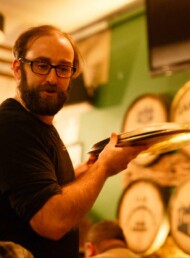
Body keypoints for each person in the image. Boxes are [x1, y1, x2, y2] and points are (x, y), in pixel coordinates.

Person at [0, 25, 148, 258]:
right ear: (18, 69)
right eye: (41, 65)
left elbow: (45, 189)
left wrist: (86, 171)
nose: (52, 78)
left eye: (63, 68)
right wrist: (103, 167)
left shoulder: (41, 127)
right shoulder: (12, 126)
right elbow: (51, 220)